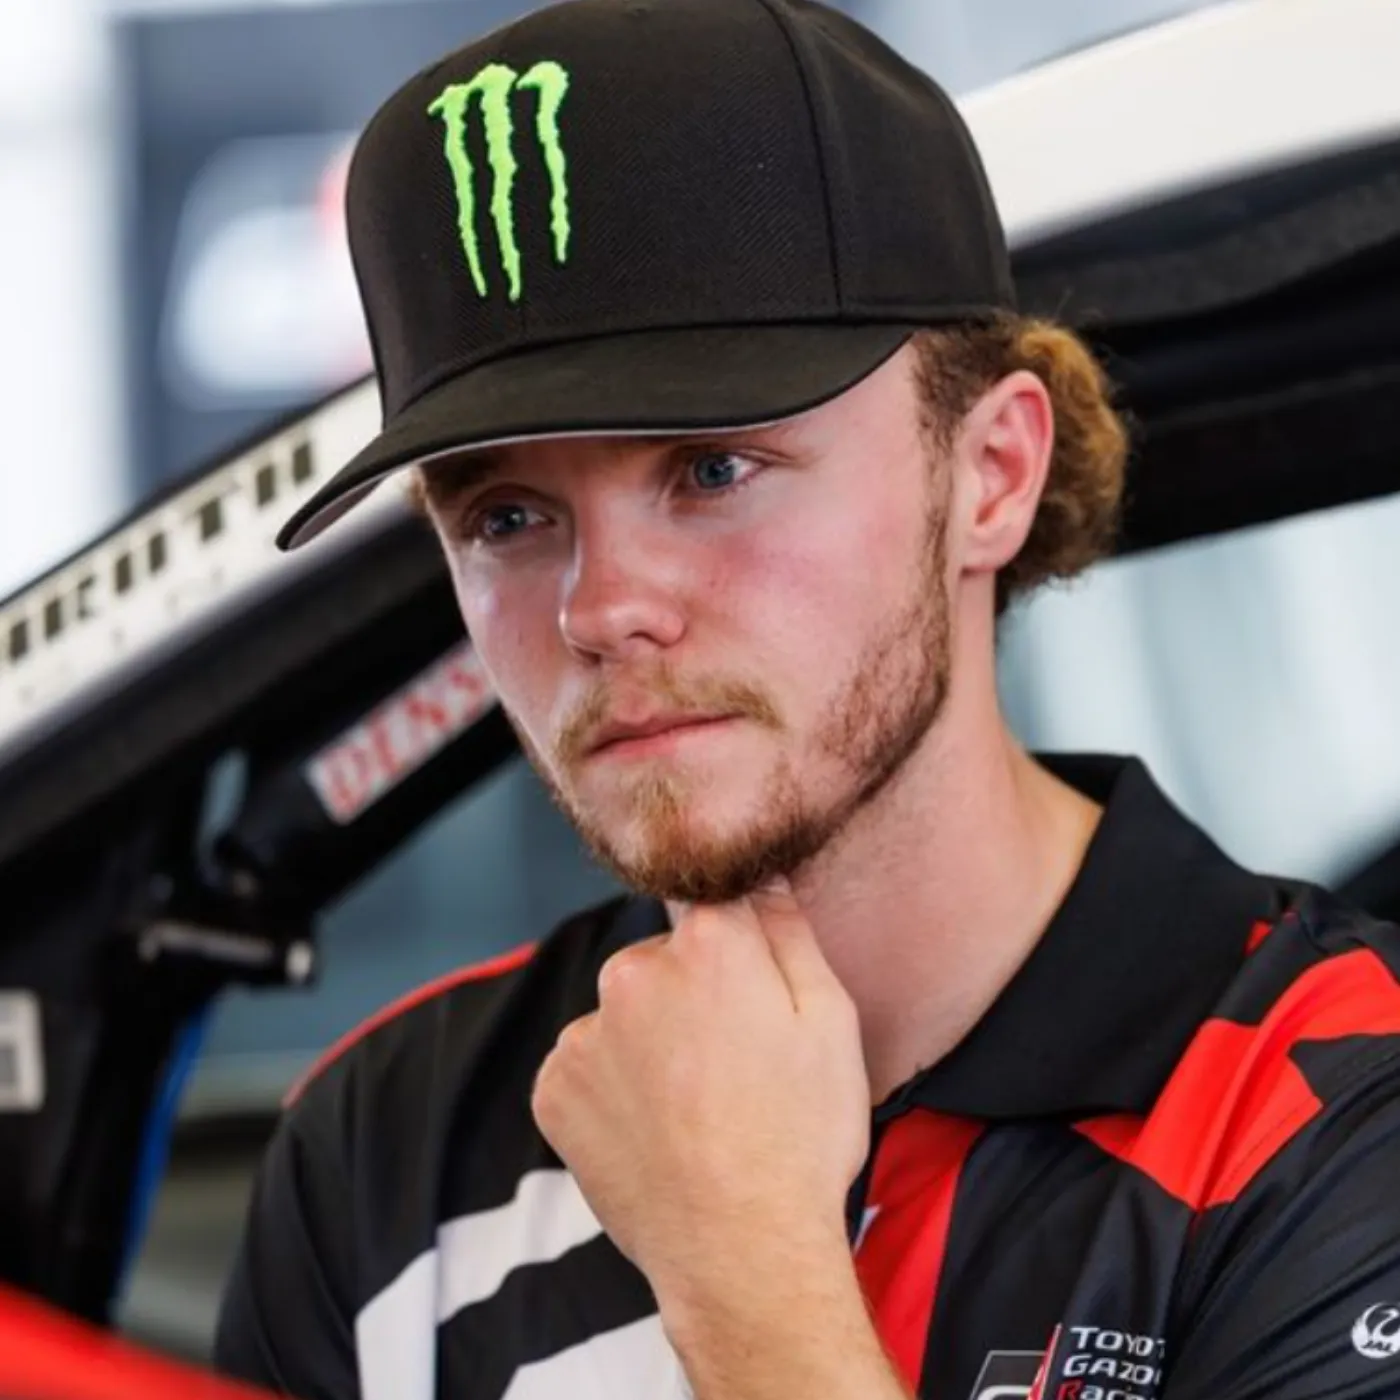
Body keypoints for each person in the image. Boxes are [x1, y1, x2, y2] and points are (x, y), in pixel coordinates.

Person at [215, 1, 1400, 1398]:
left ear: (992, 476)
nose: (601, 607)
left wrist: (746, 1269)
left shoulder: (1337, 1103)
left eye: (713, 469)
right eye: (508, 517)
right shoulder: (384, 1146)